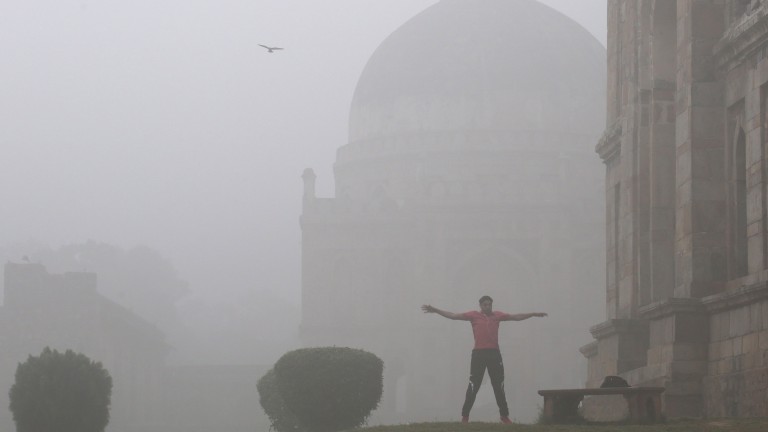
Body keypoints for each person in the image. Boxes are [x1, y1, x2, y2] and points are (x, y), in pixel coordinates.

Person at [421, 296, 547, 424]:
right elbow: (453, 315)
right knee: (473, 385)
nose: (488, 307)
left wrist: (533, 314)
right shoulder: (474, 315)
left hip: (494, 354)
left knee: (499, 386)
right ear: (480, 305)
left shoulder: (497, 316)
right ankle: (465, 416)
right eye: (485, 305)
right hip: (478, 354)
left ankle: (504, 416)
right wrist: (435, 310)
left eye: (489, 304)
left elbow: (515, 317)